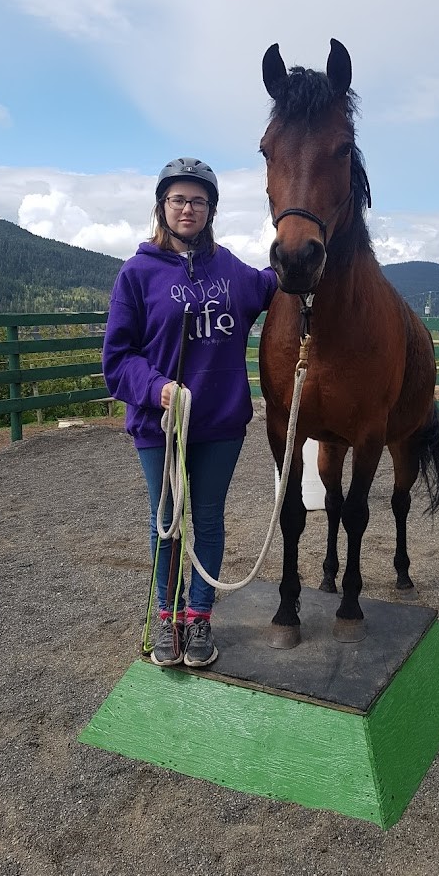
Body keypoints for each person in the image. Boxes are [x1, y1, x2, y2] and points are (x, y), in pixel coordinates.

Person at [103, 157, 278, 668]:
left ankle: (198, 619)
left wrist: (311, 250)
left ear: (211, 210)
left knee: (208, 520)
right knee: (166, 523)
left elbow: (275, 283)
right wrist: (156, 389)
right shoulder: (137, 273)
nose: (188, 208)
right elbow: (117, 360)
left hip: (220, 425)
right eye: (179, 199)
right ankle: (167, 619)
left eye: (198, 201)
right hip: (161, 426)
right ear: (162, 206)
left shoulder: (230, 270)